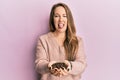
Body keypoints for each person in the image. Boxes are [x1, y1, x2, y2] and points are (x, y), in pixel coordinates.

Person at [35, 2, 87, 80]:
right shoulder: (43, 40)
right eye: (57, 16)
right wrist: (49, 66)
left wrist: (70, 66)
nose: (61, 19)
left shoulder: (78, 41)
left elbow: (82, 64)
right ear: (52, 19)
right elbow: (39, 65)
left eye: (64, 16)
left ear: (68, 19)